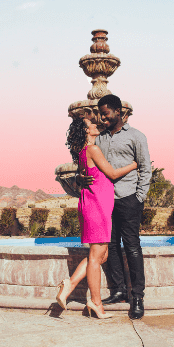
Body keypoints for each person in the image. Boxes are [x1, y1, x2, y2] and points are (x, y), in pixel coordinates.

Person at [55, 117, 137, 319]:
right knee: (96, 257)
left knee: (101, 256)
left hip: (94, 205)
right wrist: (135, 164)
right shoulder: (93, 150)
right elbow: (113, 173)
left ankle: (70, 284)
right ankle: (96, 303)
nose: (95, 125)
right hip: (97, 207)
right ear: (85, 131)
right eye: (91, 124)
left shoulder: (83, 153)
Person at [78, 94, 151, 320]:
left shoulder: (137, 136)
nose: (102, 117)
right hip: (104, 202)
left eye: (106, 113)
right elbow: (90, 165)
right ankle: (119, 289)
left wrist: (139, 197)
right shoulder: (99, 139)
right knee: (110, 246)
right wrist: (81, 177)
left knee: (132, 246)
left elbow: (145, 168)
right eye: (100, 114)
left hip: (128, 198)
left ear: (118, 112)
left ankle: (137, 296)